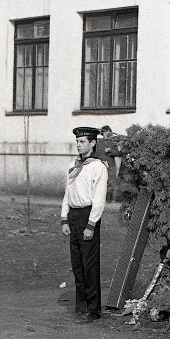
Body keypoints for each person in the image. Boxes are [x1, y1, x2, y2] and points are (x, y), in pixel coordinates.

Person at [61, 126, 108, 322]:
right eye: (77, 142)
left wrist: (91, 225)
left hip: (88, 216)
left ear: (93, 143)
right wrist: (64, 218)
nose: (78, 145)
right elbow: (68, 193)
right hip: (74, 216)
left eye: (82, 142)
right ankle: (81, 306)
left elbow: (99, 199)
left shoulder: (98, 167)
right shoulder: (73, 165)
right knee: (77, 265)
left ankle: (93, 309)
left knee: (89, 265)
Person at [96, 124, 124, 202]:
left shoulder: (113, 142)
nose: (107, 133)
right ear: (102, 133)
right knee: (101, 182)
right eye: (105, 132)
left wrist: (111, 151)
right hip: (101, 165)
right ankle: (102, 199)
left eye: (109, 132)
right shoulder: (99, 142)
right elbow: (96, 153)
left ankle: (112, 200)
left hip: (111, 165)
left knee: (112, 182)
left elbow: (119, 153)